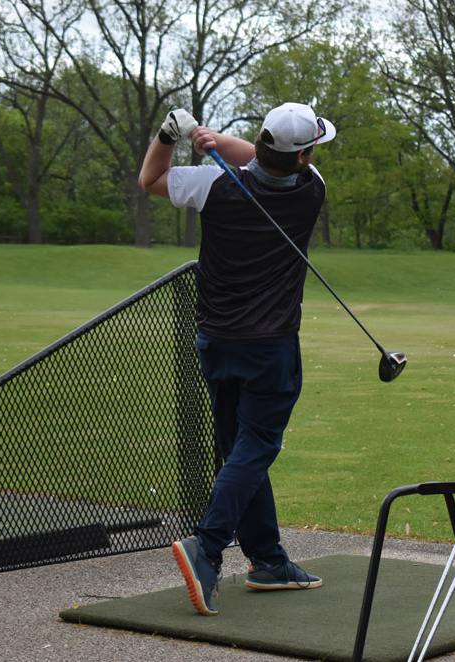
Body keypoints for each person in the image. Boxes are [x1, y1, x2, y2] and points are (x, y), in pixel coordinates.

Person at [138, 103, 336, 616]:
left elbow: (150, 178)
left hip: (215, 341)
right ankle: (207, 546)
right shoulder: (312, 186)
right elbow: (267, 160)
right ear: (303, 155)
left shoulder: (210, 187)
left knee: (242, 452)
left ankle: (268, 561)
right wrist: (213, 138)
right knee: (255, 449)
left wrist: (171, 135)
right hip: (270, 347)